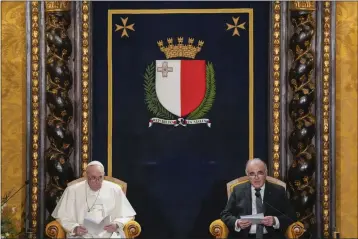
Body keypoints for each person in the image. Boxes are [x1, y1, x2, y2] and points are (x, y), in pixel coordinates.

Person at [52, 161, 136, 238]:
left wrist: (117, 224)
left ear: (104, 175)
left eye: (100, 177)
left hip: (108, 234)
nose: (97, 181)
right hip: (81, 235)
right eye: (93, 177)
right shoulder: (72, 190)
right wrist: (74, 228)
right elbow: (62, 216)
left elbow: (127, 214)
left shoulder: (115, 189)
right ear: (86, 176)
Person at [220, 158, 297, 239]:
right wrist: (237, 222)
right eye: (252, 174)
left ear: (266, 173)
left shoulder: (278, 191)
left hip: (270, 236)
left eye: (260, 173)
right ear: (248, 175)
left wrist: (275, 220)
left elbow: (292, 215)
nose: (256, 178)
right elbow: (225, 214)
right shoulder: (238, 190)